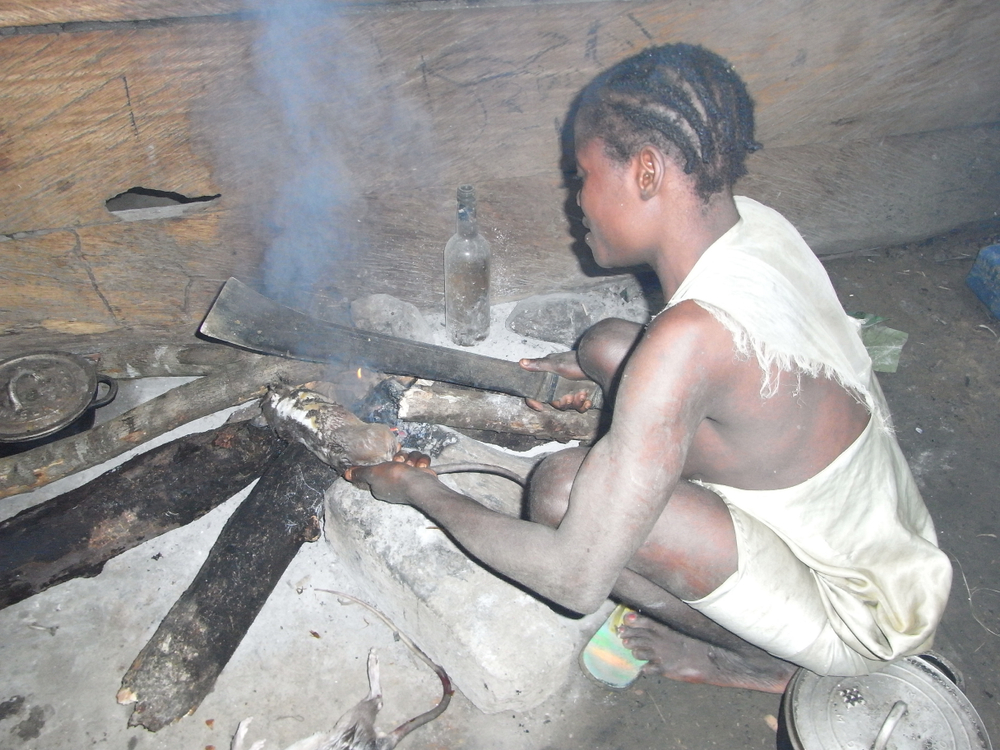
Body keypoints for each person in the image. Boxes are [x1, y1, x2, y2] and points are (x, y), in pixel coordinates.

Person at [346, 43, 952, 693]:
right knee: (603, 345)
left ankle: (771, 670)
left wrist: (422, 492)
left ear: (644, 173)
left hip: (866, 617)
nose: (576, 199)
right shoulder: (757, 228)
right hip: (889, 542)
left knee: (559, 491)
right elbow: (676, 361)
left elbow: (574, 582)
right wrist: (605, 374)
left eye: (582, 175)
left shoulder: (686, 343)